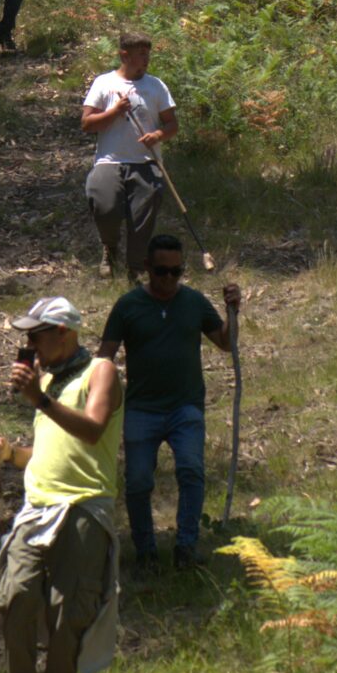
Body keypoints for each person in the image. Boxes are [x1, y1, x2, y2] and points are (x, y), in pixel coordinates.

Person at [0, 296, 123, 673]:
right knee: (15, 599)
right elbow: (50, 451)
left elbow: (91, 430)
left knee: (66, 612)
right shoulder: (49, 382)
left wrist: (39, 400)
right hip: (37, 510)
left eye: (35, 335)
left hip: (84, 508)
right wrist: (10, 455)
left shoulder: (101, 372)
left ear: (62, 332)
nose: (30, 346)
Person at [97, 239, 236, 570]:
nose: (169, 279)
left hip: (185, 407)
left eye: (177, 271)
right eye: (162, 271)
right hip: (142, 409)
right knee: (139, 480)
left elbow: (226, 343)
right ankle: (145, 550)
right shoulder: (128, 306)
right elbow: (104, 358)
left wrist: (233, 311)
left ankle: (186, 546)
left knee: (191, 471)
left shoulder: (193, 302)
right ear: (148, 268)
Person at [81, 34, 179, 277]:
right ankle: (110, 247)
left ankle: (135, 269)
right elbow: (87, 124)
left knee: (141, 220)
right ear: (125, 55)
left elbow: (172, 125)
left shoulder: (156, 86)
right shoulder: (104, 83)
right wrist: (114, 112)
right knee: (105, 207)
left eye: (148, 54)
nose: (146, 59)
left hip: (147, 162)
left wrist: (157, 135)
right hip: (109, 160)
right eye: (141, 54)